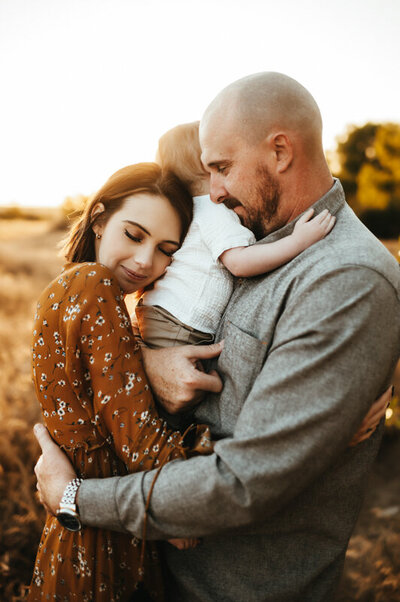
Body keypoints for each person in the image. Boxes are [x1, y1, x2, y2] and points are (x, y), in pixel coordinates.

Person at [34, 72, 400, 602]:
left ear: (279, 151)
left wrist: (74, 499)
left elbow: (246, 482)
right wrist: (146, 362)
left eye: (222, 168)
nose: (214, 190)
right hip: (156, 568)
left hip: (232, 588)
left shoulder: (345, 280)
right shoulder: (251, 235)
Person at [28, 162, 214, 602]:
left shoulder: (63, 289)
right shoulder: (94, 284)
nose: (146, 261)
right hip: (103, 532)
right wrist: (178, 507)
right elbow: (135, 436)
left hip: (84, 518)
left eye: (167, 249)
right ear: (99, 220)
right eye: (134, 235)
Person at [135, 121, 335, 351]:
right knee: (186, 379)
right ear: (208, 165)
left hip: (162, 314)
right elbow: (240, 263)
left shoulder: (190, 209)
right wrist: (297, 241)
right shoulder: (214, 212)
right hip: (180, 320)